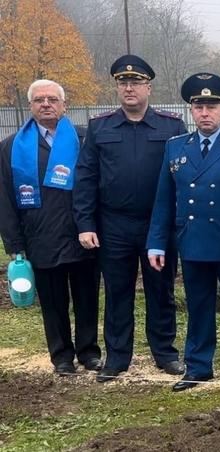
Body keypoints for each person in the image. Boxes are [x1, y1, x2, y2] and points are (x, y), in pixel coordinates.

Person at [146, 73, 220, 392]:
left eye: (211, 107)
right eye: (199, 107)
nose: (205, 113)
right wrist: (156, 242)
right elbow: (164, 200)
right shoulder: (175, 147)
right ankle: (198, 366)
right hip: (193, 240)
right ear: (191, 110)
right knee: (198, 306)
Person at [73, 55, 186, 382]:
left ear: (148, 87)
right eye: (123, 82)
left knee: (161, 289)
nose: (129, 88)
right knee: (117, 291)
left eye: (136, 82)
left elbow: (183, 177)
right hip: (114, 225)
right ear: (117, 88)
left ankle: (165, 353)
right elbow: (85, 177)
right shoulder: (100, 126)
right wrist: (85, 224)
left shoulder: (171, 127)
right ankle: (117, 357)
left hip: (157, 224)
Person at [0, 80, 101, 376]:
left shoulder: (85, 140)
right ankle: (61, 355)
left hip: (83, 234)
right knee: (53, 302)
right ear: (30, 106)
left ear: (64, 105)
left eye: (52, 99)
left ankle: (89, 351)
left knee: (87, 297)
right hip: (40, 236)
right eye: (39, 100)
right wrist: (14, 243)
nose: (46, 104)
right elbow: (4, 198)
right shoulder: (10, 147)